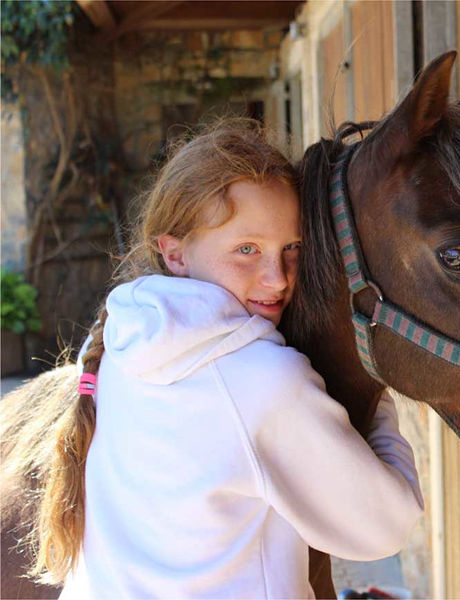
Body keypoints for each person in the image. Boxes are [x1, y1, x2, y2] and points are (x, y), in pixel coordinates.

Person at [3, 121, 424, 598]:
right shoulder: (261, 380)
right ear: (175, 254)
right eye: (246, 250)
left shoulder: (118, 342)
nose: (277, 278)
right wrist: (377, 381)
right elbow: (383, 527)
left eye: (292, 249)